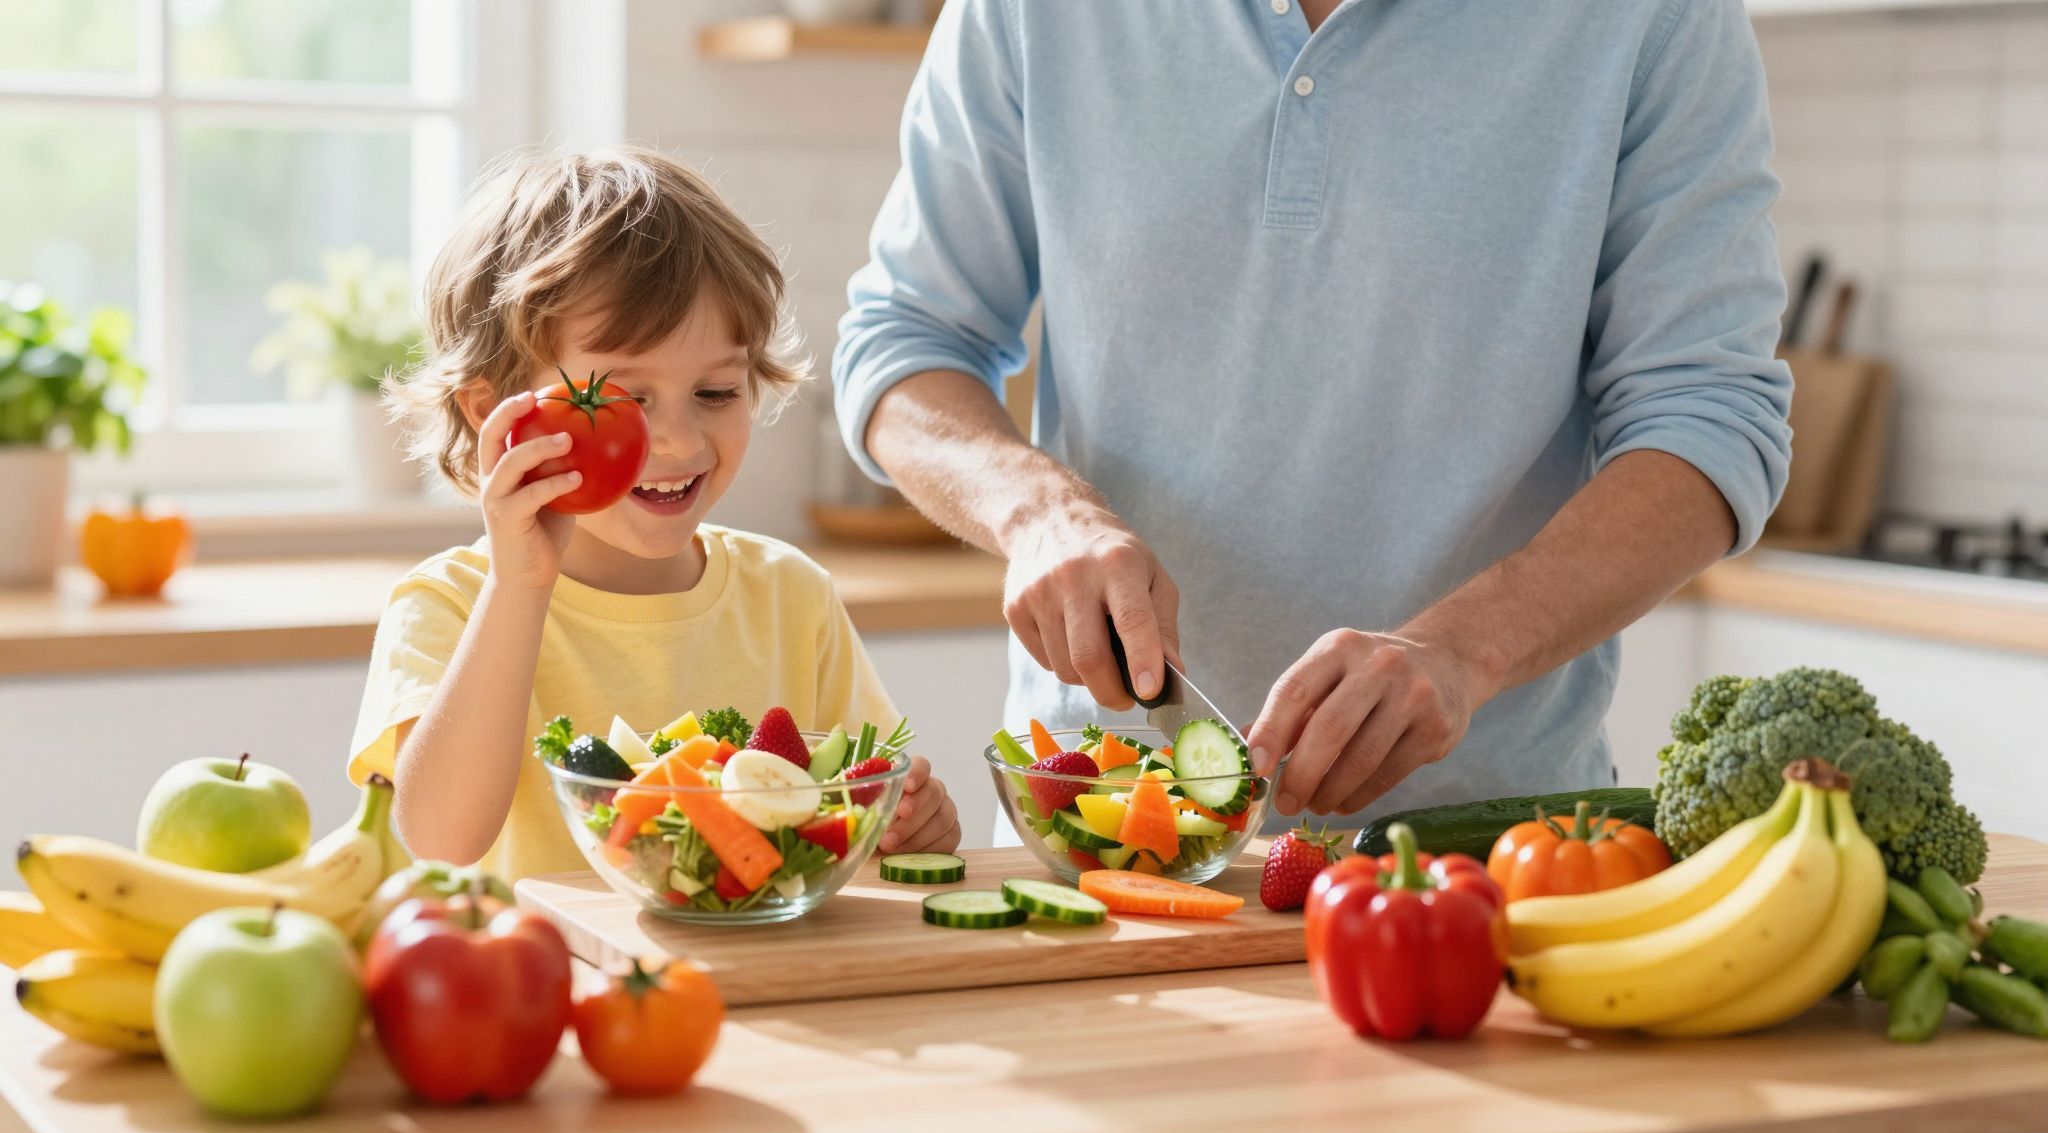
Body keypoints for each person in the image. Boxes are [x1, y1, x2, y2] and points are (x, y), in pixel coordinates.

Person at [835, 0, 1793, 828]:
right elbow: (905, 341)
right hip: (1098, 832)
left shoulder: (1655, 18)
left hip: (1485, 859)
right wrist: (1041, 515)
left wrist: (1460, 651)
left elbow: (1710, 416)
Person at [352, 146, 960, 880]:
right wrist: (520, 585)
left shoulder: (790, 595)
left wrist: (913, 825)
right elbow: (439, 842)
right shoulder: (443, 605)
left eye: (716, 393)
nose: (678, 440)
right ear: (495, 415)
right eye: (625, 400)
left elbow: (860, 809)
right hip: (543, 989)